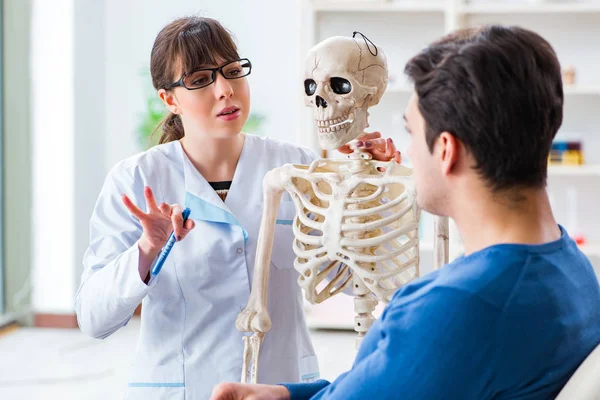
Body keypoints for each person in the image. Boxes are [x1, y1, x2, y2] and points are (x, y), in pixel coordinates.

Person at [210, 24, 600, 400]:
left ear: (446, 151)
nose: (409, 153)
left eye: (412, 133)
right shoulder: (572, 268)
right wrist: (285, 393)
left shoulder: (454, 308)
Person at [74, 16, 399, 400]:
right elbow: (94, 319)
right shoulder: (136, 180)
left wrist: (372, 183)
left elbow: (355, 279)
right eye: (200, 80)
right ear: (169, 99)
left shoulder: (298, 167)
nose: (225, 90)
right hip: (182, 389)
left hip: (280, 385)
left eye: (231, 71)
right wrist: (145, 251)